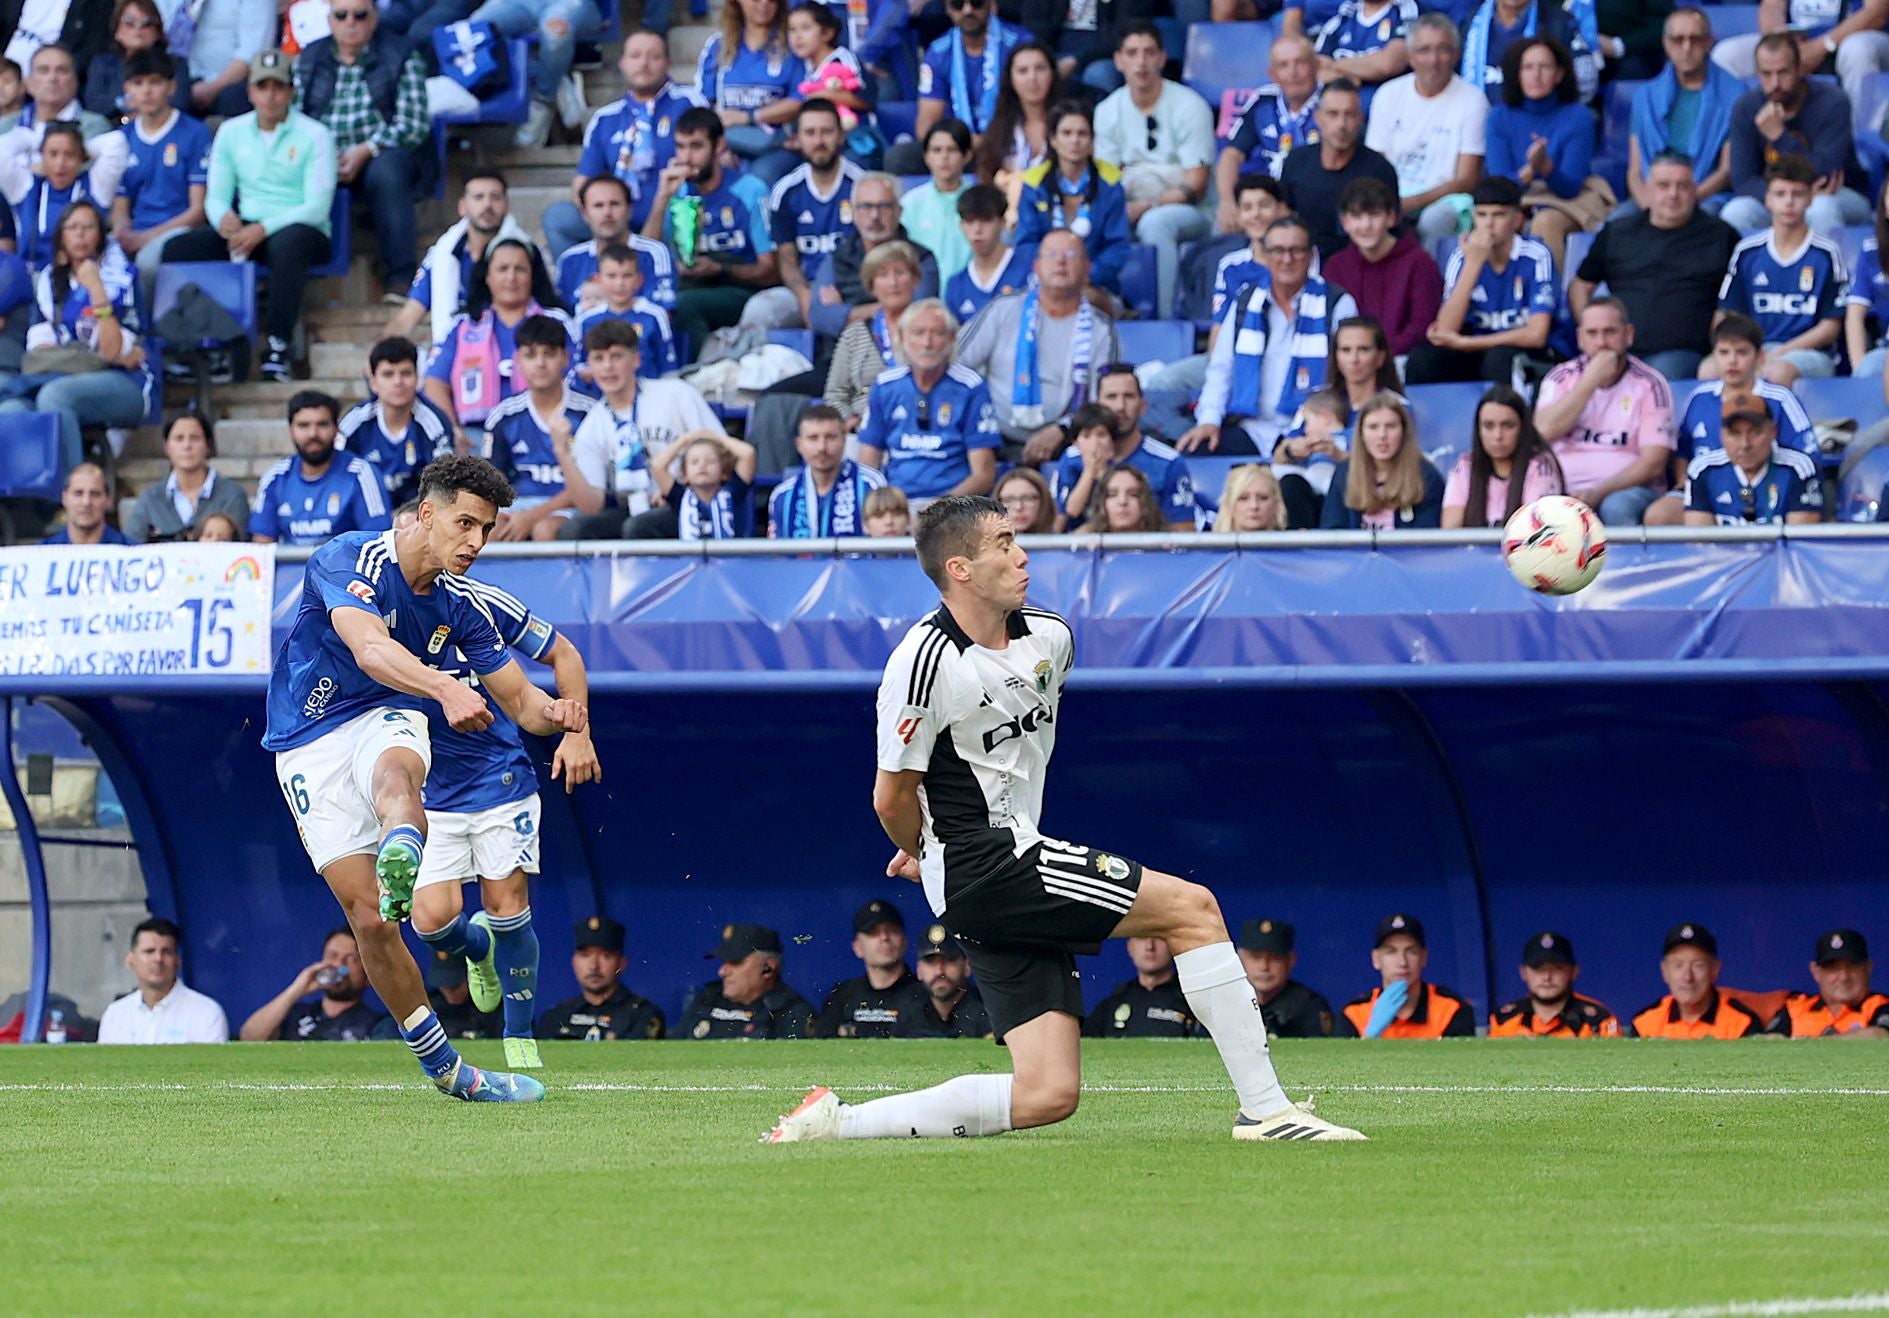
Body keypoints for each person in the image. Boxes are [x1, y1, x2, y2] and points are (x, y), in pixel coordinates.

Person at [763, 495, 1365, 1144]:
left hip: (991, 863)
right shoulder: (922, 662)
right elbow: (891, 796)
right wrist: (931, 847)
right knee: (1194, 910)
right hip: (988, 863)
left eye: (1016, 538)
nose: (1022, 555)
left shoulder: (1050, 637)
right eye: (1002, 543)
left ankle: (833, 1123)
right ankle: (1267, 1112)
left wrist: (932, 849)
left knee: (1048, 1094)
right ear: (960, 568)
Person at [261, 455, 587, 1097]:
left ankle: (403, 840)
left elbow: (522, 703)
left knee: (397, 772)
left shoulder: (461, 606)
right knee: (372, 922)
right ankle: (449, 1071)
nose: (475, 542)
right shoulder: (349, 557)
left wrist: (563, 716)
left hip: (388, 714)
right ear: (426, 512)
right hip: (306, 739)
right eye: (465, 523)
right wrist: (443, 687)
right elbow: (370, 647)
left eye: (487, 530)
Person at [404, 542, 599, 1069]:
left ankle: (519, 1038)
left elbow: (564, 653)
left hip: (499, 777)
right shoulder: (379, 614)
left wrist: (578, 735)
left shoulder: (482, 602)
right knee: (431, 922)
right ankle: (477, 950)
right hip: (429, 789)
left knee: (508, 908)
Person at [163, 50, 335, 383]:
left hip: (301, 228)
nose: (270, 95)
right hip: (248, 227)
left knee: (288, 245)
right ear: (250, 91)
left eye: (278, 87)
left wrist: (263, 228)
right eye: (262, 86)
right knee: (179, 250)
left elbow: (316, 207)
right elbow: (215, 196)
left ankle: (277, 348)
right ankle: (202, 344)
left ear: (290, 92)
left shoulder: (315, 134)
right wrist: (224, 220)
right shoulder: (231, 131)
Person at [1182, 214, 1358, 457]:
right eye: (1277, 250)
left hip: (1313, 428)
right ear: (1264, 255)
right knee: (1196, 449)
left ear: (1310, 255)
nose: (1287, 259)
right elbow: (1221, 368)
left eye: (1296, 250)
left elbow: (1352, 372)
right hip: (1252, 427)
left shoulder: (1337, 303)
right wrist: (1209, 421)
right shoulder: (1246, 300)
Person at [292, 0, 428, 302]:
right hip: (322, 154)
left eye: (360, 15)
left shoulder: (402, 55)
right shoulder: (310, 58)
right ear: (330, 20)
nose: (350, 22)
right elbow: (294, 120)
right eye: (341, 15)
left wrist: (366, 149)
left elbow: (414, 126)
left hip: (379, 153)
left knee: (388, 173)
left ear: (374, 19)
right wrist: (322, 154)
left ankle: (400, 279)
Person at [1, 200, 151, 471]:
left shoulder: (121, 278)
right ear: (61, 238)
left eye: (88, 227)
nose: (80, 234)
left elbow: (114, 351)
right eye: (72, 228)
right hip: (65, 376)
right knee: (12, 409)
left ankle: (76, 489)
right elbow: (40, 353)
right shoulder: (49, 280)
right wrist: (92, 357)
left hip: (129, 383)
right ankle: (29, 502)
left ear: (101, 236)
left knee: (54, 396)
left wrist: (96, 288)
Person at [1571, 149, 1739, 379]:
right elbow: (1581, 284)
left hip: (1679, 354)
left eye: (1682, 186)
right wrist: (1589, 328)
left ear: (1694, 190)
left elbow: (1741, 294)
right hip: (1614, 350)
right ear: (1648, 189)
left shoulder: (1721, 236)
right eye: (1663, 186)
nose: (1673, 194)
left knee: (1652, 380)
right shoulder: (1618, 232)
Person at [956, 231, 1117, 463]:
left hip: (1068, 442)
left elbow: (1103, 403)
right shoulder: (1003, 309)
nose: (1060, 262)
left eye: (1071, 255)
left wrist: (1062, 430)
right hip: (992, 439)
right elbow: (956, 364)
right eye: (1051, 254)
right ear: (1037, 266)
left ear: (1087, 269)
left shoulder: (1101, 328)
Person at [544, 28, 707, 254]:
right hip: (617, 215)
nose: (644, 63)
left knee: (680, 216)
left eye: (654, 56)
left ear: (667, 63)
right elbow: (583, 183)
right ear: (622, 63)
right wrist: (602, 219)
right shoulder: (605, 118)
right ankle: (586, 280)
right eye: (635, 56)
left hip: (672, 208)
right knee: (559, 218)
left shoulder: (689, 103)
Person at [1092, 23, 1212, 320]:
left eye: (1149, 53)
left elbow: (1195, 185)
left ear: (1162, 58)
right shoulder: (1107, 110)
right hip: (1129, 204)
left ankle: (1162, 319)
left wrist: (1147, 206)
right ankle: (1107, 311)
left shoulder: (1190, 106)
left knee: (1155, 224)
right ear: (1118, 61)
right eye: (1132, 53)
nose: (1141, 62)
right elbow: (1108, 180)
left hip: (1191, 210)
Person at [1651, 312, 1817, 526]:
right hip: (1704, 488)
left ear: (1760, 357)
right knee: (1658, 515)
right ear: (1713, 356)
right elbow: (1683, 450)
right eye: (1724, 352)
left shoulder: (1780, 398)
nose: (1732, 360)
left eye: (1741, 352)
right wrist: (1685, 481)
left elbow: (1807, 452)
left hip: (1766, 485)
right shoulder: (1699, 397)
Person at [642, 105, 777, 363]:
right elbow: (647, 255)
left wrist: (720, 269)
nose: (686, 157)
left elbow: (771, 271)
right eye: (680, 147)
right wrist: (662, 198)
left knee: (685, 305)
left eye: (696, 146)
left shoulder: (750, 190)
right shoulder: (676, 193)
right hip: (690, 285)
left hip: (739, 287)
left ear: (719, 146)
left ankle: (702, 375)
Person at [562, 319, 721, 537]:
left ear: (636, 360)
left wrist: (682, 490)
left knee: (638, 527)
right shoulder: (593, 425)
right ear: (589, 366)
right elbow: (592, 505)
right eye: (599, 359)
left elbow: (720, 451)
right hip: (633, 507)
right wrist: (561, 451)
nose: (608, 367)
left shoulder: (676, 394)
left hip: (689, 500)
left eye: (616, 356)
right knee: (576, 529)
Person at [1532, 297, 1675, 525]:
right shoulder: (1561, 377)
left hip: (1626, 490)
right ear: (1580, 338)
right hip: (1560, 486)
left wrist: (1598, 493)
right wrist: (1590, 382)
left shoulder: (1650, 383)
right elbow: (1542, 432)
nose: (1601, 342)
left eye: (1610, 332)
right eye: (1592, 333)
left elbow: (1653, 462)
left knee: (1616, 507)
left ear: (1628, 334)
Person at [1405, 176, 1557, 387]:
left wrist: (1469, 343)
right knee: (1423, 359)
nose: (1489, 224)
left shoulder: (1536, 255)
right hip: (1476, 349)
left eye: (1499, 215)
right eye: (1482, 215)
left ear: (1518, 220)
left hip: (1521, 350)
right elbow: (1445, 330)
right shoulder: (1461, 256)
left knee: (1498, 359)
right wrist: (1474, 263)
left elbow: (1536, 334)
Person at [422, 238, 572, 450]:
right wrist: (452, 429)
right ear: (487, 276)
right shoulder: (462, 325)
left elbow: (573, 375)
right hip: (475, 437)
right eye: (502, 269)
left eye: (520, 269)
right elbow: (435, 382)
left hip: (542, 431)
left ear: (533, 275)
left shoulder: (557, 321)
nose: (511, 277)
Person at [1710, 154, 1846, 386]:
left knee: (1778, 372)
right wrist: (1745, 352)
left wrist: (1777, 353)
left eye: (1797, 194)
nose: (1789, 202)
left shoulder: (1826, 253)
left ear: (1811, 198)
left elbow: (1829, 328)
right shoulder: (1747, 252)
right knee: (1708, 371)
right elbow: (1726, 314)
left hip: (1810, 354)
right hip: (1752, 349)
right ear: (1767, 199)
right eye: (1780, 194)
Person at [1721, 34, 1868, 236]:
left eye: (1783, 73)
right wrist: (1784, 197)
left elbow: (1826, 172)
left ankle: (1827, 268)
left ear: (1800, 69)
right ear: (1757, 73)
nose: (1775, 83)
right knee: (1735, 212)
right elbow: (1743, 181)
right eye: (1766, 74)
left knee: (1821, 209)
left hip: (1837, 195)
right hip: (1773, 197)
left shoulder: (1832, 102)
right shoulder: (1746, 108)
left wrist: (1780, 136)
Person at [1364, 14, 1487, 245]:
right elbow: (1374, 163)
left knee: (1435, 219)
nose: (1433, 59)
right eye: (1424, 50)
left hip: (1445, 200)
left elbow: (1466, 180)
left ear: (1456, 55)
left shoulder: (1473, 100)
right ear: (1410, 57)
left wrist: (1413, 202)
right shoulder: (1388, 94)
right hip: (1392, 197)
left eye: (1443, 50)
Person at [859, 298, 999, 500]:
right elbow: (868, 465)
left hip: (953, 505)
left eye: (938, 333)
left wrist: (941, 507)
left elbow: (984, 475)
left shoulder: (970, 387)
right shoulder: (885, 385)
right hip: (897, 506)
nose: (927, 343)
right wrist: (886, 507)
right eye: (918, 333)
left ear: (952, 339)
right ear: (902, 337)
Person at [741, 98, 861, 332]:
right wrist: (805, 295)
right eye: (810, 133)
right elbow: (787, 260)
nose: (819, 141)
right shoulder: (785, 191)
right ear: (797, 140)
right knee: (760, 311)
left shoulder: (860, 185)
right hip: (803, 288)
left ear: (841, 136)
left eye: (826, 132)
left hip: (853, 288)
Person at [1483, 35, 1600, 266]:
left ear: (1559, 74)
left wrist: (1546, 167)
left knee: (1544, 223)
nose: (1535, 75)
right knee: (1492, 220)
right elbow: (1499, 185)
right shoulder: (1499, 117)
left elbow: (1570, 188)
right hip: (1515, 199)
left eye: (1544, 67)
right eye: (1527, 68)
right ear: (1517, 74)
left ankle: (1548, 298)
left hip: (1563, 203)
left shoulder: (1578, 117)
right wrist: (1529, 171)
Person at [384, 171, 537, 345]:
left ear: (507, 205)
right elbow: (408, 317)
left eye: (495, 197)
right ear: (462, 207)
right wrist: (379, 355)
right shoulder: (442, 255)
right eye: (478, 197)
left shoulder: (527, 255)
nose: (487, 204)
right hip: (453, 354)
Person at [483, 314, 601, 540]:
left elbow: (591, 486)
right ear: (517, 359)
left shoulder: (589, 413)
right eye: (530, 355)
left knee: (544, 529)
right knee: (490, 530)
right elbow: (490, 482)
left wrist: (534, 515)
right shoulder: (504, 415)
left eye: (548, 354)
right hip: (517, 506)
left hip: (571, 507)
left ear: (565, 358)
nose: (540, 363)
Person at [107, 49, 208, 306]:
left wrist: (146, 237)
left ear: (172, 87)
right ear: (127, 88)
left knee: (147, 263)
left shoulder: (195, 133)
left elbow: (198, 211)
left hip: (178, 231)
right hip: (136, 230)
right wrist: (122, 231)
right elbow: (120, 201)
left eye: (155, 82)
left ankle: (147, 334)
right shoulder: (123, 136)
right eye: (138, 84)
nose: (147, 91)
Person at [1050, 364, 1194, 531]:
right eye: (1111, 397)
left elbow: (1183, 531)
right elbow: (1054, 528)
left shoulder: (1168, 461)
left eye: (1129, 396)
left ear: (1142, 406)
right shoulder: (1072, 457)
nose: (1120, 406)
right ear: (1098, 405)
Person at [1625, 9, 1739, 215]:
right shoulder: (1645, 97)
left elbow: (1726, 170)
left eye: (1695, 39)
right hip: (1652, 198)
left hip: (1706, 197)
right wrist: (1647, 204)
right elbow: (1634, 171)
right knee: (1614, 227)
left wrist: (1682, 201)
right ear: (1666, 43)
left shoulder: (1735, 94)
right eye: (1678, 40)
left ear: (1708, 42)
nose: (1686, 48)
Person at [1013, 100, 1128, 298]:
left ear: (1092, 141)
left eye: (1082, 134)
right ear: (1053, 139)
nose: (1075, 140)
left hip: (1096, 286)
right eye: (1066, 133)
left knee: (1086, 301)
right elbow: (1026, 243)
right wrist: (1052, 276)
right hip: (1044, 284)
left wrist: (1085, 275)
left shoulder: (1110, 184)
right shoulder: (1034, 184)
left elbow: (1117, 246)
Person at [805, 170, 940, 340]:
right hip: (843, 356)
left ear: (899, 211)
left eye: (884, 206)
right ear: (853, 212)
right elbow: (819, 316)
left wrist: (846, 313)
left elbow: (917, 314)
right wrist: (890, 308)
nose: (875, 216)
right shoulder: (837, 257)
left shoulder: (921, 258)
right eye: (866, 206)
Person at [1278, 81, 1401, 263]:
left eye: (1349, 115)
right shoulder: (1296, 161)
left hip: (1362, 264)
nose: (1341, 124)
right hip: (1304, 263)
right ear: (1318, 118)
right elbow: (1283, 218)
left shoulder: (1380, 170)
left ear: (1360, 119)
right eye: (1333, 114)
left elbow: (1389, 234)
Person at [250, 391, 393, 545]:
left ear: (336, 429)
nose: (313, 434)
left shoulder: (361, 474)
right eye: (303, 425)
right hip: (289, 569)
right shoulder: (275, 477)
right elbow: (262, 546)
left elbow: (377, 542)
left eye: (322, 424)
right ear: (291, 430)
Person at [1322, 177, 1441, 358]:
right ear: (1344, 222)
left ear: (1391, 218)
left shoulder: (1419, 263)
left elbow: (1422, 327)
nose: (1365, 225)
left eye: (1374, 215)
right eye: (1356, 216)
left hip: (1401, 359)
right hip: (1348, 362)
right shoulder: (1336, 267)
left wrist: (1376, 356)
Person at [0, 45, 128, 206]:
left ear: (75, 81)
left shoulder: (94, 125)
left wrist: (16, 174)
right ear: (28, 84)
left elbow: (75, 173)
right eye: (43, 71)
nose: (53, 78)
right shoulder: (6, 126)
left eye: (62, 70)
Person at [909, 0, 1026, 175]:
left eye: (977, 2)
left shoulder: (1019, 44)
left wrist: (988, 141)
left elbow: (1034, 111)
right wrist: (962, 144)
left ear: (992, 5)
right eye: (957, 4)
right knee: (901, 158)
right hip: (958, 147)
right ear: (948, 9)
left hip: (1010, 143)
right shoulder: (938, 52)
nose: (967, 10)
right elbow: (926, 128)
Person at [692, 0, 803, 184]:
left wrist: (748, 117)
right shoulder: (718, 46)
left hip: (778, 144)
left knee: (756, 181)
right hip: (727, 142)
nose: (764, 4)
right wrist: (718, 149)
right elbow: (703, 104)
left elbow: (800, 100)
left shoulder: (793, 45)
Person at [337, 339, 456, 508]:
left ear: (417, 378)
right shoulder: (355, 423)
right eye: (388, 374)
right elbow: (334, 475)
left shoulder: (435, 423)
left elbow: (444, 485)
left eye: (406, 373)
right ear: (373, 382)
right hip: (364, 513)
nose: (398, 382)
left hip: (417, 516)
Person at [1712, 0, 1889, 112]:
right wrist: (1779, 38)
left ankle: (1861, 144)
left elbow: (1876, 13)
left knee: (1858, 49)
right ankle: (1727, 143)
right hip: (1795, 41)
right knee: (1727, 55)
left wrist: (1822, 46)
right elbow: (1771, 6)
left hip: (1849, 37)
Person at [1213, 34, 1320, 206]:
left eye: (1300, 62)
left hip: (1315, 200)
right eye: (1284, 65)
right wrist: (1227, 202)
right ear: (1273, 74)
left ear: (1316, 66)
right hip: (1267, 202)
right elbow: (1231, 155)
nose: (1293, 72)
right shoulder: (1263, 102)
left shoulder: (1333, 101)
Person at [1682, 396, 1824, 525]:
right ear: (1722, 435)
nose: (1745, 444)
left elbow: (1800, 544)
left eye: (1755, 432)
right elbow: (1700, 544)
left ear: (1773, 431)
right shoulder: (1702, 470)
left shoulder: (1800, 469)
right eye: (1735, 434)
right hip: (1721, 554)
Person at [821, 241, 921, 422]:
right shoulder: (855, 334)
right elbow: (835, 394)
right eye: (883, 275)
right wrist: (848, 420)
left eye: (900, 273)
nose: (893, 282)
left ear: (915, 279)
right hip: (864, 428)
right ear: (871, 286)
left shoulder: (932, 329)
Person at [1441, 386, 1565, 528]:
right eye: (1489, 426)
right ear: (1478, 429)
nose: (1498, 436)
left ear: (1523, 428)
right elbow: (1450, 530)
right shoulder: (1465, 465)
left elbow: (1536, 532)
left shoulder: (1541, 466)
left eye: (1508, 426)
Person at [1334, 914, 1475, 1038]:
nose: (1402, 962)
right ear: (1376, 959)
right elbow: (1342, 1067)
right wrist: (1369, 1036)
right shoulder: (1353, 1013)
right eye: (1391, 952)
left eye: (1411, 951)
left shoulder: (1451, 1009)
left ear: (1424, 957)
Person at [238, 927, 390, 1042]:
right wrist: (296, 990)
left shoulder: (378, 1025)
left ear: (368, 976)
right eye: (332, 956)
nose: (338, 964)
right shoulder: (297, 1014)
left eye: (351, 959)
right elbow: (249, 1038)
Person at [1319, 392, 1445, 529]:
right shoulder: (1344, 473)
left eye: (1391, 426)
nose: (1382, 435)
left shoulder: (1426, 476)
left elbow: (1427, 538)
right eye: (1373, 427)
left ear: (1403, 431)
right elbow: (1332, 532)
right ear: (1361, 433)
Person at [96, 916, 229, 1044]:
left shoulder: (206, 1014)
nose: (158, 959)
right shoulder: (115, 1015)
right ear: (131, 960)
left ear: (177, 961)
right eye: (149, 951)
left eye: (166, 952)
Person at [2, 120, 113, 272]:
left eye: (70, 155)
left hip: (83, 279)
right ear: (42, 156)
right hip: (33, 280)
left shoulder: (96, 185)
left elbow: (116, 144)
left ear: (82, 158)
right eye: (52, 154)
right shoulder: (25, 186)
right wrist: (38, 141)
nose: (60, 163)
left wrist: (82, 147)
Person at [554, 177, 674, 316]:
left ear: (629, 209)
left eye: (615, 204)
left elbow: (663, 315)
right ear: (585, 214)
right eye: (598, 205)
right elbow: (562, 317)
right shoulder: (569, 260)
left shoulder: (654, 253)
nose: (607, 213)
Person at [123, 412, 251, 541]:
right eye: (179, 438)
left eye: (195, 438)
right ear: (167, 447)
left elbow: (242, 551)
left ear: (208, 445)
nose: (187, 446)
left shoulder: (232, 496)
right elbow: (131, 548)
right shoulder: (151, 498)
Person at [812, 898, 931, 1037]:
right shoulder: (842, 997)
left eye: (892, 930)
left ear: (904, 941)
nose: (884, 937)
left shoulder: (925, 994)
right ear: (857, 947)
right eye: (873, 932)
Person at [536, 917, 667, 1040]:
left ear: (621, 963)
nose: (593, 966)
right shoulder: (556, 1016)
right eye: (585, 956)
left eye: (605, 956)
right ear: (574, 962)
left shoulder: (643, 1014)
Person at [768, 401, 886, 537]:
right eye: (813, 438)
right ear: (799, 444)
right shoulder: (782, 495)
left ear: (844, 440)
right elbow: (777, 556)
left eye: (830, 437)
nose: (822, 447)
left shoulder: (871, 484)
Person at [1627, 923, 1766, 1038]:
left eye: (1698, 965)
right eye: (1678, 965)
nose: (1687, 977)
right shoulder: (1644, 1024)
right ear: (1664, 971)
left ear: (1715, 970)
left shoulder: (1742, 1022)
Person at [677, 923, 815, 1039]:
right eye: (724, 962)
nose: (723, 972)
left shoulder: (791, 1012)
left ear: (768, 968)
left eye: (735, 963)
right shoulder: (708, 998)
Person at [573, 243, 678, 383]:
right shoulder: (586, 320)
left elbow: (668, 365)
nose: (620, 283)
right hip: (601, 396)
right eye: (611, 276)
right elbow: (578, 363)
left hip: (649, 392)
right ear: (599, 280)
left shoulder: (654, 315)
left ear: (639, 280)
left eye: (627, 276)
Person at [1458, 0, 1597, 104]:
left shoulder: (1559, 23)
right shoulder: (1469, 22)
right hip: (1475, 130)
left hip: (1540, 129)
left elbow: (1586, 83)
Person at [1488, 931, 1620, 1038]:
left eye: (1557, 968)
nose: (1547, 977)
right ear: (1523, 973)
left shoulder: (1598, 1020)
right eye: (1538, 969)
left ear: (1574, 972)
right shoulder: (1503, 1019)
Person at [967, 38, 1054, 192]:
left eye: (1040, 68)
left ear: (1052, 73)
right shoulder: (1000, 127)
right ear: (1011, 79)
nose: (1032, 78)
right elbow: (987, 177)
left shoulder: (1069, 124)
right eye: (1022, 71)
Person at [1767, 929, 1889, 1038]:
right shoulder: (1795, 1008)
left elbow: (1881, 1034)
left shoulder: (1881, 1006)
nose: (1844, 977)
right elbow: (1767, 1042)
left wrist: (1823, 1044)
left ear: (1868, 968)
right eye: (1833, 968)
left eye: (1852, 966)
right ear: (1815, 972)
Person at [942, 180, 1031, 322]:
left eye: (986, 221)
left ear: (1002, 223)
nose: (977, 230)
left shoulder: (1030, 270)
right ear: (961, 225)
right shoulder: (956, 285)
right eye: (970, 221)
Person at [646, 428, 759, 539]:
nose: (702, 466)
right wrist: (683, 441)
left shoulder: (733, 491)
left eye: (710, 461)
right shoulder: (680, 496)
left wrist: (716, 438)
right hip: (691, 557)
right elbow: (657, 466)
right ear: (684, 475)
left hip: (729, 557)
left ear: (723, 471)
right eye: (694, 462)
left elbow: (748, 453)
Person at [82, 0, 186, 119]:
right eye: (129, 22)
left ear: (157, 31)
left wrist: (137, 111)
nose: (138, 28)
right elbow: (94, 104)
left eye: (147, 23)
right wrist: (125, 105)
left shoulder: (176, 63)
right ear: (117, 30)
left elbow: (179, 103)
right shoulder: (103, 63)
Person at [900, 117, 974, 284]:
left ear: (967, 156)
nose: (944, 157)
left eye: (952, 150)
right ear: (926, 157)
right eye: (937, 150)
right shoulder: (910, 204)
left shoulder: (979, 201)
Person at [1236, 919, 1334, 1038]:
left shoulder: (1309, 1007)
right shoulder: (1223, 1003)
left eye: (1274, 958)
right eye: (1256, 958)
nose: (1264, 966)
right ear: (1240, 958)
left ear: (1290, 961)